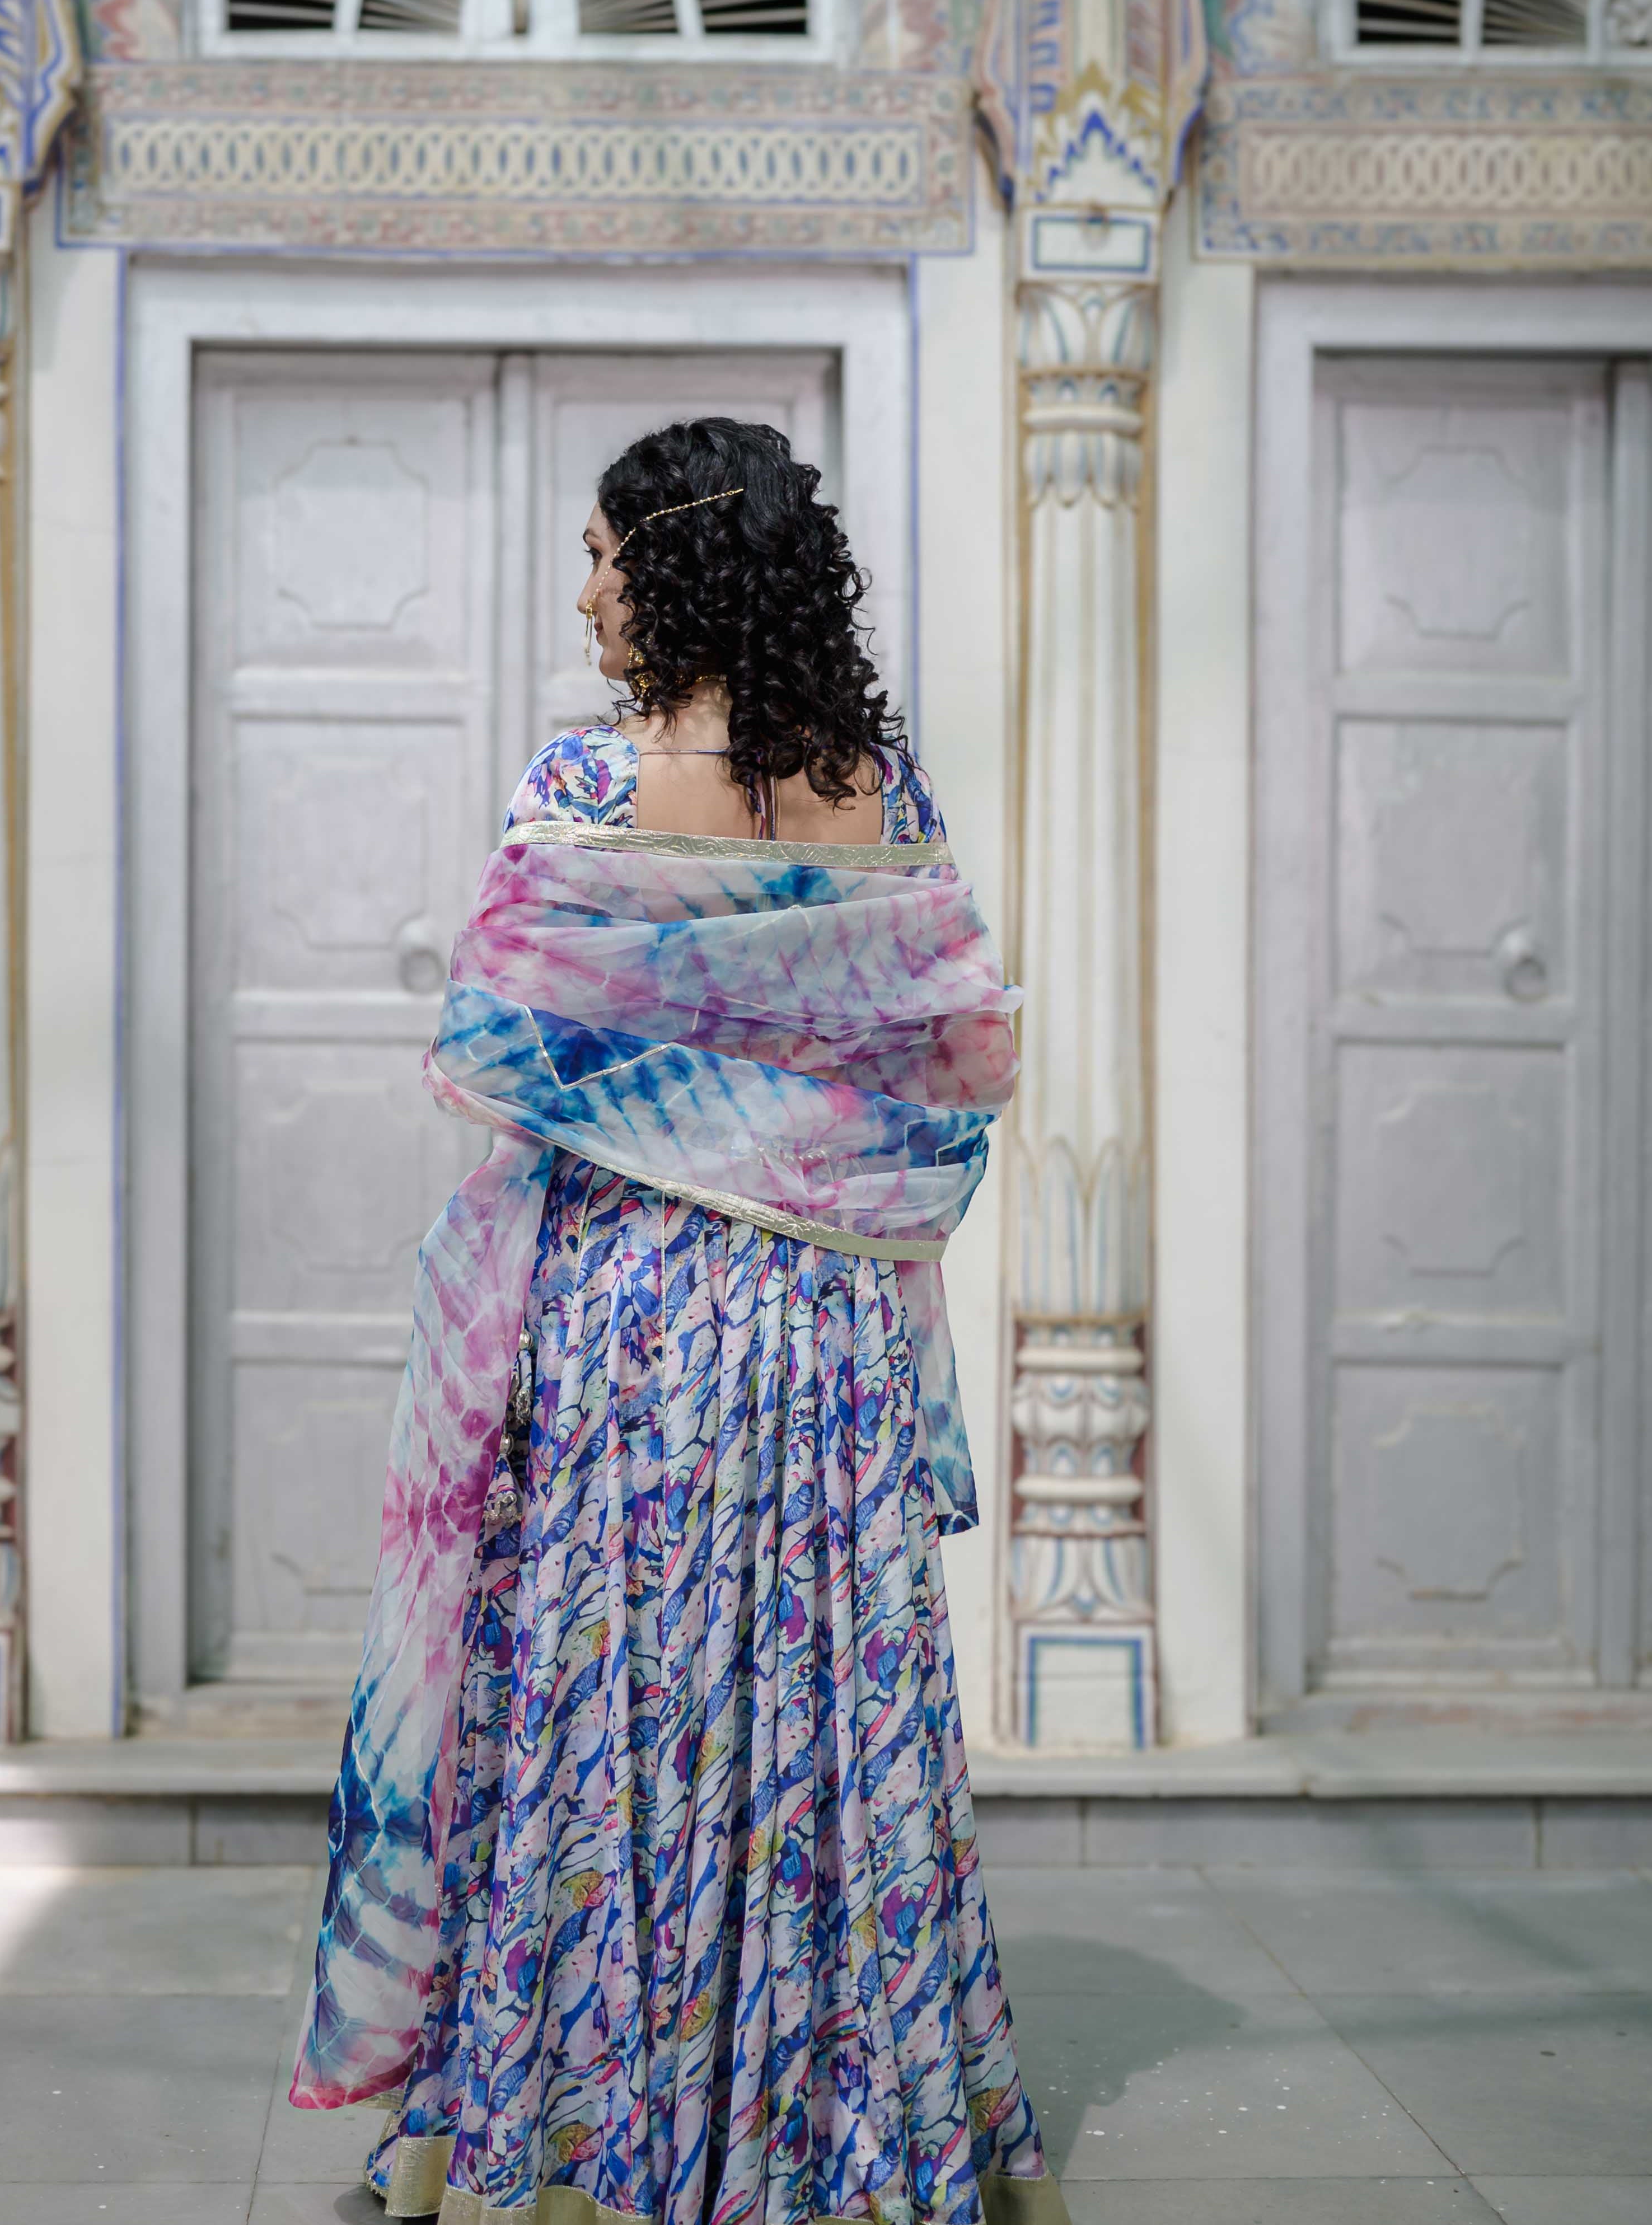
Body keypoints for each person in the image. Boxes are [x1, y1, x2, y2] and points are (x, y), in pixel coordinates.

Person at [293, 418, 1067, 2225]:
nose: (583, 592)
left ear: (680, 568)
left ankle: (582, 2134)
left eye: (600, 556)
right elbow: (954, 1064)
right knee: (807, 1702)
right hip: (819, 1340)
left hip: (628, 1326)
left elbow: (498, 1050)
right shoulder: (889, 800)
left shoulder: (574, 794)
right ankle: (829, 2129)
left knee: (607, 1701)